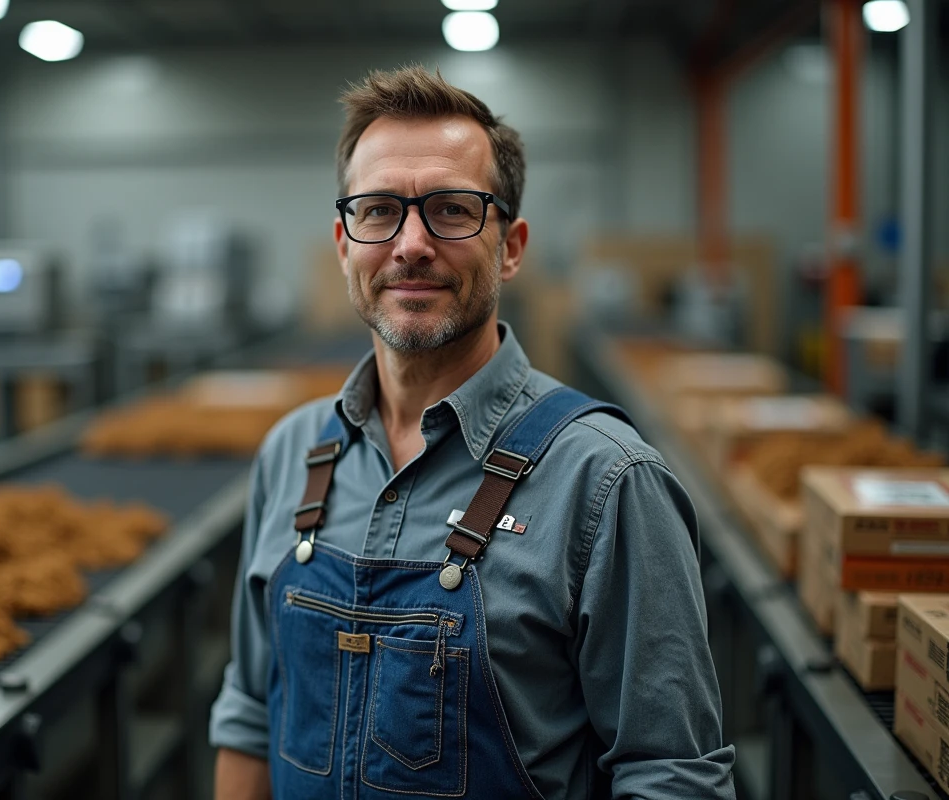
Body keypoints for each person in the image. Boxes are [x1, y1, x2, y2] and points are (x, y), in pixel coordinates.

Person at [210, 64, 735, 800]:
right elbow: (250, 715)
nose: (411, 243)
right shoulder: (293, 453)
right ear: (344, 243)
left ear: (511, 246)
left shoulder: (606, 482)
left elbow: (670, 775)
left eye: (452, 210)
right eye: (379, 211)